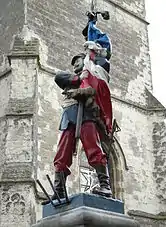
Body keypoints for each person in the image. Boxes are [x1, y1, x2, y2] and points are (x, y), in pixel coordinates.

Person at [42, 52, 113, 205]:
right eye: (73, 63)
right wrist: (77, 82)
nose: (75, 64)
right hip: (69, 117)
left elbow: (92, 90)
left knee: (93, 149)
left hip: (87, 116)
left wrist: (80, 91)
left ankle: (105, 186)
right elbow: (59, 77)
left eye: (78, 61)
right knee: (62, 153)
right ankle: (59, 189)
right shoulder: (72, 79)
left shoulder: (91, 74)